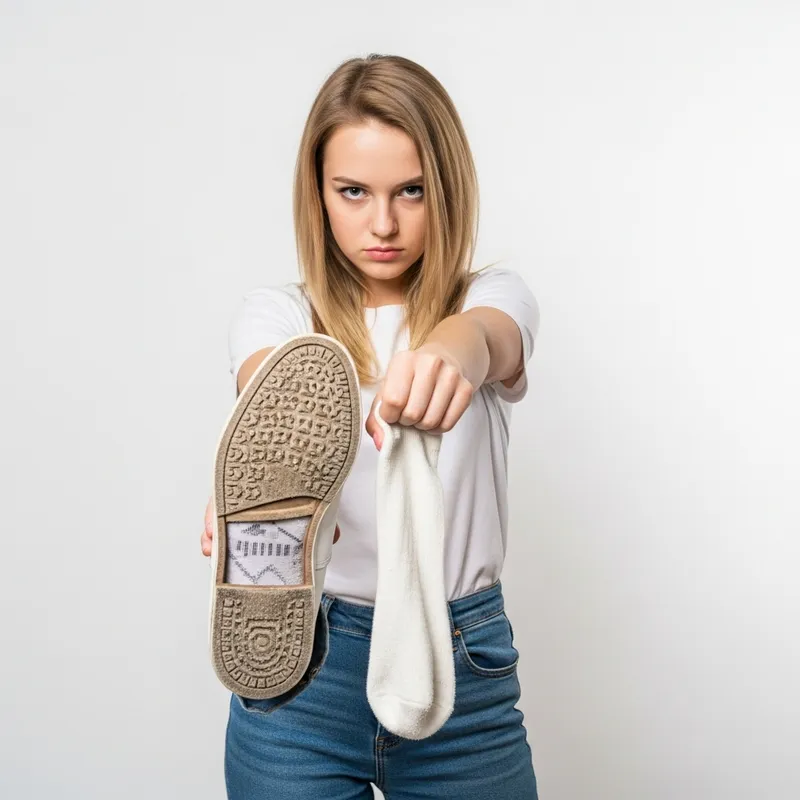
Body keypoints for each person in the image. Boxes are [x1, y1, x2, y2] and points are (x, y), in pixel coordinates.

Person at [201, 53, 541, 799]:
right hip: (303, 667)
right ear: (317, 194)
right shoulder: (281, 314)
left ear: (445, 190)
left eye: (410, 192)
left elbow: (489, 337)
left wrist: (451, 353)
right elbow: (268, 378)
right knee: (292, 391)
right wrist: (252, 501)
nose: (382, 223)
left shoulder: (492, 295)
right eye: (352, 192)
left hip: (462, 662)